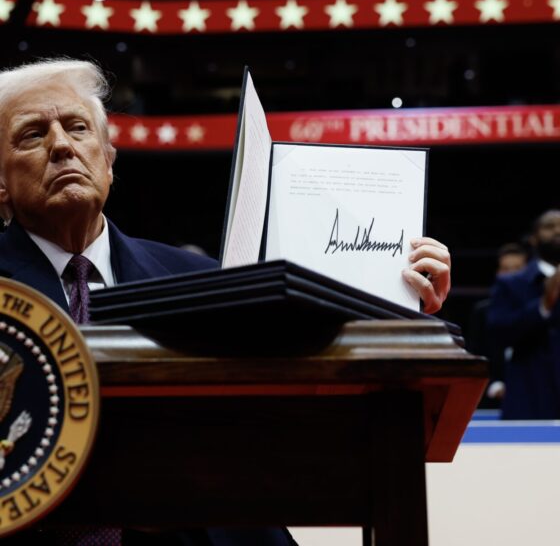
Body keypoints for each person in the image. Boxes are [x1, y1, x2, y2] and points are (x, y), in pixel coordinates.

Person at [0, 59, 452, 544]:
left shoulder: (205, 278)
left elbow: (302, 382)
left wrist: (396, 302)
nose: (63, 146)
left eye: (77, 127)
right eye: (32, 135)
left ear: (109, 160)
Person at [487, 210, 560, 419]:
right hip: (531, 397)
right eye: (549, 226)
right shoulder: (511, 283)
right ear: (534, 239)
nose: (557, 231)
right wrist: (543, 306)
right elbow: (497, 333)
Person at [467, 243, 528, 407]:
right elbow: (476, 356)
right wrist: (495, 384)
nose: (511, 275)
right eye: (506, 269)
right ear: (498, 273)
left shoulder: (542, 311)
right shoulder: (482, 312)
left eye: (517, 268)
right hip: (491, 400)